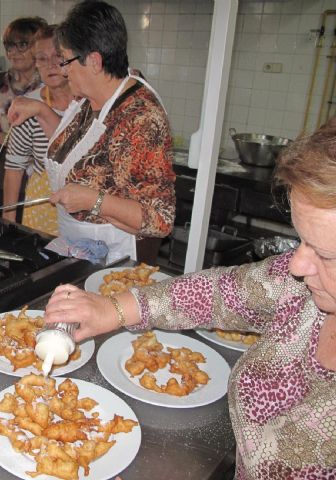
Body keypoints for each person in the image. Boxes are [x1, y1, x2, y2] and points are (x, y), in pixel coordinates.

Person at [45, 117, 336, 478]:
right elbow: (218, 292)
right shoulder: (295, 288)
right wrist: (113, 308)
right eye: (300, 241)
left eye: (326, 255)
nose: (296, 265)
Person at [7, 1, 175, 264]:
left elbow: (160, 220)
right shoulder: (88, 101)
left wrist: (93, 201)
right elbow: (79, 151)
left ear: (94, 61)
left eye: (67, 61)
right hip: (79, 248)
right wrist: (40, 110)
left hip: (117, 259)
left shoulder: (141, 118)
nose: (63, 71)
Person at [2, 24, 73, 236]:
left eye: (58, 56)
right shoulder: (27, 105)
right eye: (42, 58)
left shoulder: (88, 102)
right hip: (42, 207)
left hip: (81, 207)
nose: (51, 65)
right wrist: (8, 223)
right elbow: (14, 168)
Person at [0, 16, 46, 208]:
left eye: (22, 44)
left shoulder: (50, 86)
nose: (13, 52)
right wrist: (24, 149)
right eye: (9, 45)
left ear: (38, 48)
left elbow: (52, 147)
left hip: (38, 186)